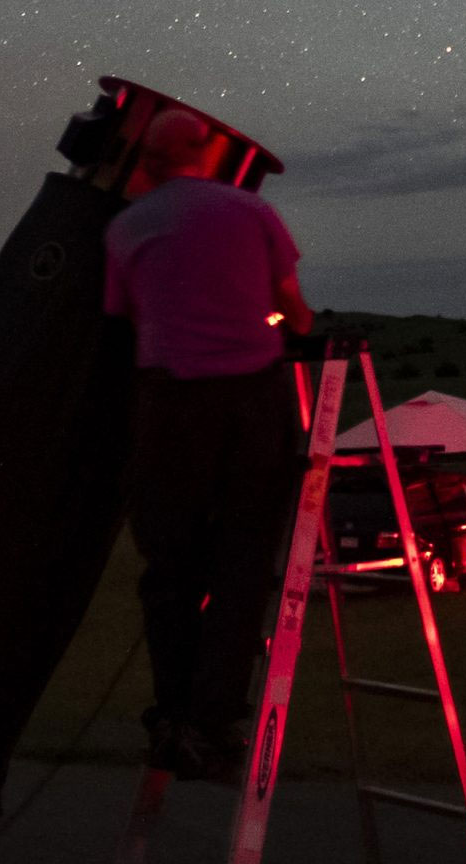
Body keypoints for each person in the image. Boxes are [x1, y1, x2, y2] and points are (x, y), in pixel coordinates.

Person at [104, 108, 313, 780]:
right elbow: (292, 304)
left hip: (167, 407)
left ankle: (172, 713)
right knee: (242, 564)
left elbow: (128, 315)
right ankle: (213, 720)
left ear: (149, 159)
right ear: (206, 152)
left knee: (170, 570)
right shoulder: (250, 213)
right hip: (253, 402)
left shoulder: (125, 226)